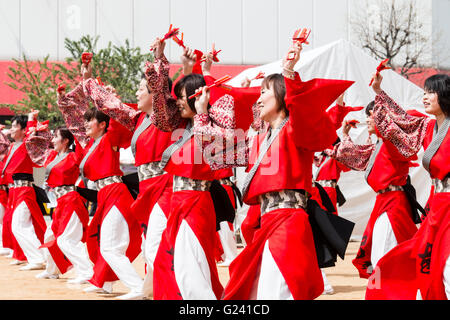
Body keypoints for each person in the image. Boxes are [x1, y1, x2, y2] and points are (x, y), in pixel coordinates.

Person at [197, 40, 354, 299]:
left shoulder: (295, 129)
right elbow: (214, 149)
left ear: (282, 97)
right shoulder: (257, 139)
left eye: (263, 93)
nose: (257, 100)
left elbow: (302, 109)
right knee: (261, 293)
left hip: (289, 222)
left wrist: (289, 71)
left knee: (277, 293)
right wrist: (202, 109)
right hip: (267, 222)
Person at [77, 40, 177, 298]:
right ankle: (148, 289)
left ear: (154, 93)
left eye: (142, 88)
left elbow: (162, 89)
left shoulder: (163, 116)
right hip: (146, 189)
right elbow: (111, 105)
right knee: (149, 245)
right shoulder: (138, 120)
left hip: (163, 186)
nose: (137, 91)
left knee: (155, 243)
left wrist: (158, 59)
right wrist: (89, 82)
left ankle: (156, 290)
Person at [150, 43, 235, 300]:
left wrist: (201, 112)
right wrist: (160, 61)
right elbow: (161, 110)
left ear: (200, 97)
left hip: (196, 203)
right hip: (177, 202)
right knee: (177, 266)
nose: (177, 103)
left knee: (189, 271)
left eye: (182, 97)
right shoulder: (182, 126)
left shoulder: (211, 125)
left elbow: (225, 137)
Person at [365, 73, 449, 300]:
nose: (425, 97)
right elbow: (401, 117)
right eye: (424, 92)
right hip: (438, 207)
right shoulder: (427, 127)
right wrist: (379, 92)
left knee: (446, 269)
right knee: (428, 267)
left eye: (431, 92)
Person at [58, 79, 143, 300]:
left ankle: (137, 286)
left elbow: (117, 119)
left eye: (90, 122)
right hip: (104, 195)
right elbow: (75, 126)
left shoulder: (110, 138)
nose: (85, 125)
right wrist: (65, 101)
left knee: (110, 247)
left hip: (115, 193)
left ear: (102, 125)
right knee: (99, 242)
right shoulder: (89, 146)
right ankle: (105, 284)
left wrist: (107, 99)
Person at [324, 94, 422, 280]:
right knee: (380, 254)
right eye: (369, 114)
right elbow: (351, 155)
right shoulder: (377, 146)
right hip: (384, 204)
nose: (368, 119)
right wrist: (344, 135)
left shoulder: (393, 142)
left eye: (372, 115)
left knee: (385, 254)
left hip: (393, 205)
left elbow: (388, 131)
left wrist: (378, 91)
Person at [24, 110, 93, 283]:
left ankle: (86, 272)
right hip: (58, 202)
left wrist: (71, 113)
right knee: (49, 237)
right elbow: (33, 147)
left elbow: (79, 136)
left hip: (71, 200)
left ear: (66, 140)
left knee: (66, 240)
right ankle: (52, 270)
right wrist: (32, 123)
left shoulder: (74, 156)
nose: (53, 140)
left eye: (56, 137)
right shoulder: (53, 156)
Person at [1, 115, 47, 270]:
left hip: (24, 189)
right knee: (14, 225)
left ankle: (37, 257)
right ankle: (26, 255)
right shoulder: (13, 146)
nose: (12, 129)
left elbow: (31, 134)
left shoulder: (27, 144)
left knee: (19, 226)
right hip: (14, 189)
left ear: (23, 129)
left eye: (15, 126)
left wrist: (31, 119)